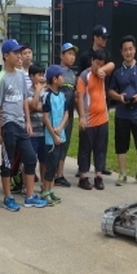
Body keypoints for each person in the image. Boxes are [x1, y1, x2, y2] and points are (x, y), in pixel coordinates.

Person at [0, 39, 47, 210]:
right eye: (16, 53)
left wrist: (28, 122)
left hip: (21, 124)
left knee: (30, 158)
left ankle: (30, 196)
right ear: (6, 56)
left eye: (20, 53)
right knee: (8, 163)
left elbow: (25, 99)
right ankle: (8, 197)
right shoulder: (1, 78)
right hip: (8, 124)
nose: (19, 56)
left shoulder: (21, 76)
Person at [108, 35, 137, 186]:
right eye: (125, 50)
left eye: (130, 49)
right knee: (121, 144)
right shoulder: (117, 72)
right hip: (122, 114)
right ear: (121, 52)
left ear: (135, 50)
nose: (128, 52)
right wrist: (118, 97)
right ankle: (122, 173)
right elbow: (110, 91)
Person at [77, 25, 115, 176]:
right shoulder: (86, 55)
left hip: (102, 99)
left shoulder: (106, 54)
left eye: (106, 38)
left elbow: (112, 64)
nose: (105, 40)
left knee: (101, 141)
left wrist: (102, 70)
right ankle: (83, 169)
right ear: (95, 37)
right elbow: (82, 76)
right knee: (86, 142)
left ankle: (100, 167)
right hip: (87, 99)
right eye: (102, 37)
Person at [76, 49, 110, 191]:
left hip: (103, 119)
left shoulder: (102, 74)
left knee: (100, 149)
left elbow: (113, 65)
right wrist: (82, 117)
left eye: (101, 64)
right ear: (92, 62)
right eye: (96, 64)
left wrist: (102, 70)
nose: (98, 67)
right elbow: (80, 97)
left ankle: (98, 176)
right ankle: (83, 177)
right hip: (89, 120)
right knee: (85, 149)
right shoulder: (84, 76)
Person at [42, 65, 69, 205]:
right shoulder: (48, 96)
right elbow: (45, 118)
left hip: (60, 134)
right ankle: (45, 191)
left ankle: (51, 191)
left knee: (56, 162)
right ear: (54, 79)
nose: (63, 78)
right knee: (50, 165)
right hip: (50, 138)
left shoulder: (62, 94)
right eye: (61, 76)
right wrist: (54, 134)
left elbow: (66, 113)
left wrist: (60, 127)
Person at [54, 43, 78, 187]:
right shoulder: (55, 72)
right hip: (57, 114)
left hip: (68, 114)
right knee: (55, 142)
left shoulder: (72, 74)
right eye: (69, 54)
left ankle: (60, 174)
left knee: (65, 142)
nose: (72, 57)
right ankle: (50, 172)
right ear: (61, 55)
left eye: (73, 54)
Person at [28, 64, 47, 184]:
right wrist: (37, 92)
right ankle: (27, 186)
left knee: (44, 161)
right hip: (33, 133)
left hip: (44, 131)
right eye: (39, 75)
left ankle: (44, 186)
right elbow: (33, 105)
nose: (41, 78)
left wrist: (37, 107)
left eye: (42, 75)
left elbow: (46, 107)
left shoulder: (46, 92)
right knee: (30, 160)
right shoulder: (28, 91)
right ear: (31, 77)